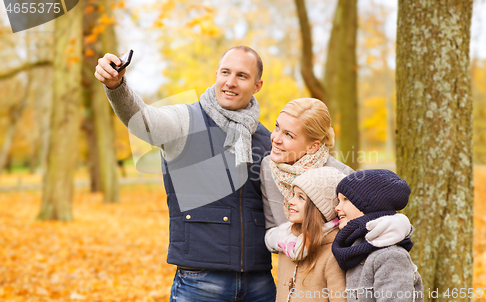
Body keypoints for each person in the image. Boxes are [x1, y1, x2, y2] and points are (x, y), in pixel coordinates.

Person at [94, 46, 276, 301]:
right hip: (200, 282)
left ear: (257, 85)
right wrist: (117, 86)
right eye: (225, 72)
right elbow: (143, 120)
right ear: (216, 74)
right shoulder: (185, 120)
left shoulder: (266, 138)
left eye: (242, 76)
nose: (230, 82)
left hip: (259, 283)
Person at [260, 98, 412, 252]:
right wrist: (289, 241)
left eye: (289, 135)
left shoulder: (343, 176)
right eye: (277, 127)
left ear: (313, 146)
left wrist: (312, 240)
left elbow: (360, 232)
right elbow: (271, 229)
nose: (275, 138)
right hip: (291, 269)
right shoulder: (268, 167)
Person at [331, 169, 424, 302]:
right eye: (338, 200)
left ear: (370, 205)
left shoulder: (389, 256)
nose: (337, 208)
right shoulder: (355, 252)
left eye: (345, 199)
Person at [265, 167, 348, 302]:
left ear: (319, 208)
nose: (291, 201)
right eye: (293, 195)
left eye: (301, 197)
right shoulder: (287, 243)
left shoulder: (334, 253)